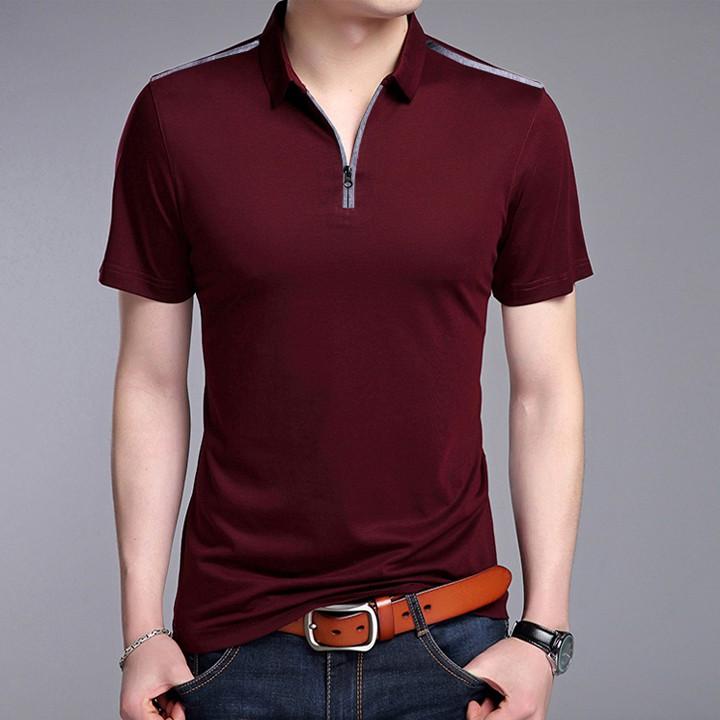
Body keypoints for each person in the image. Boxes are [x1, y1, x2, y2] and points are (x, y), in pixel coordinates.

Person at [99, 1, 593, 718]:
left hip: (453, 653)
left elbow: (544, 391)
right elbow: (150, 382)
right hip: (236, 656)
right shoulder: (176, 115)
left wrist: (543, 635)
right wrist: (142, 633)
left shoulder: (516, 117)